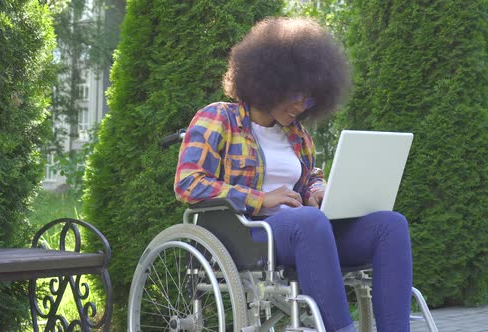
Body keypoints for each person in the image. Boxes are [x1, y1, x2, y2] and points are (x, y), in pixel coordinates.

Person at [175, 17, 413, 332]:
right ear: (269, 81)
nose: (301, 106)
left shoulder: (296, 133)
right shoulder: (218, 117)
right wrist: (260, 199)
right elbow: (188, 182)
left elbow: (309, 176)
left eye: (310, 98)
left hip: (306, 233)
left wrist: (318, 189)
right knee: (309, 222)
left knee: (390, 225)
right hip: (249, 235)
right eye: (295, 95)